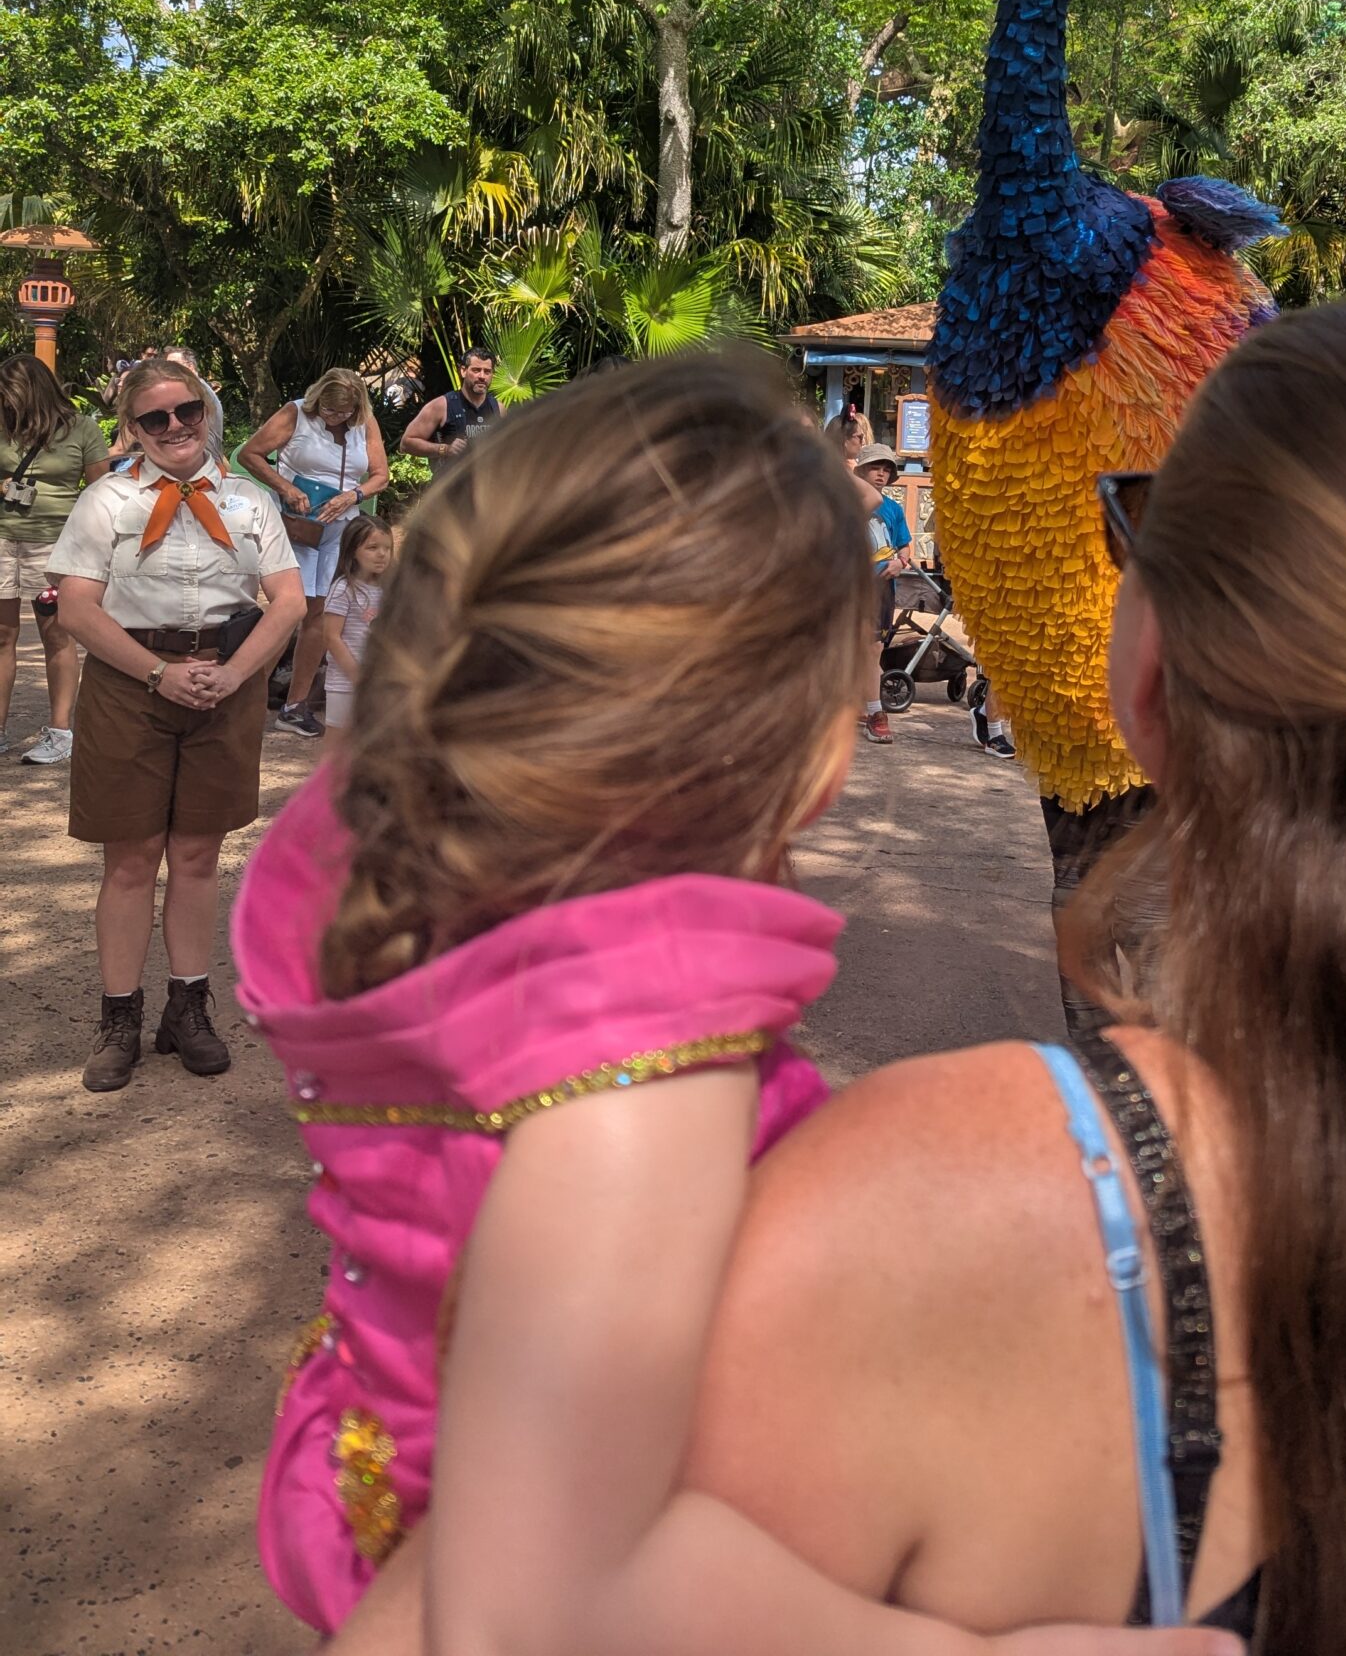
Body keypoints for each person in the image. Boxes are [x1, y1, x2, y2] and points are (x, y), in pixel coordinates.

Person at [237, 354, 1226, 1656]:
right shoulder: (639, 1065)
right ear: (812, 746)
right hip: (517, 1526)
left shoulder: (427, 883)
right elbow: (542, 1605)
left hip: (377, 1441)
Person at [47, 358, 304, 1091]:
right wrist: (158, 673)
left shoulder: (250, 501)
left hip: (227, 686)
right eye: (154, 418)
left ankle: (187, 1007)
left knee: (196, 855)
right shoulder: (106, 502)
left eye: (185, 410)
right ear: (133, 426)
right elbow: (77, 609)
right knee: (131, 859)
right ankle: (119, 1016)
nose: (174, 428)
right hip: (133, 685)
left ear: (205, 409)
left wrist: (233, 674)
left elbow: (286, 601)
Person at [240, 369, 389, 738]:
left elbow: (380, 475)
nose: (333, 417)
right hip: (297, 526)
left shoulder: (365, 422)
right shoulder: (295, 414)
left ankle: (294, 705)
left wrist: (352, 496)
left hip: (340, 527)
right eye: (328, 409)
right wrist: (285, 487)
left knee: (322, 614)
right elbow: (250, 454)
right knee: (289, 610)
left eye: (341, 413)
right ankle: (244, 698)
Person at [0, 352, 111, 765]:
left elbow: (101, 490)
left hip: (56, 545)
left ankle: (60, 731)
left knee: (57, 635)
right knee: (2, 636)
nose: (7, 404)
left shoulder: (81, 428)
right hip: (2, 539)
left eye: (12, 397)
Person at [852, 441, 913, 744]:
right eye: (876, 467)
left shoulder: (893, 509)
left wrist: (901, 562)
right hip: (849, 586)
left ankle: (875, 712)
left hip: (881, 588)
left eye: (887, 469)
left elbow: (904, 545)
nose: (882, 473)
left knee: (873, 648)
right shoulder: (844, 502)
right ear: (860, 470)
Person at [319, 514, 395, 746]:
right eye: (372, 547)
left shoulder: (391, 590)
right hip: (345, 682)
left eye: (387, 548)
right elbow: (332, 637)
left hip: (381, 681)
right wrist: (357, 676)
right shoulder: (344, 589)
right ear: (353, 550)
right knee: (337, 741)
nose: (382, 554)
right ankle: (327, 783)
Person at [399, 348, 501, 464]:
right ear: (463, 371)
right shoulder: (442, 405)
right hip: (454, 480)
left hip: (489, 480)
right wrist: (445, 449)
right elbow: (406, 443)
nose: (482, 376)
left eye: (487, 371)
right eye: (476, 370)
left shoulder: (498, 408)